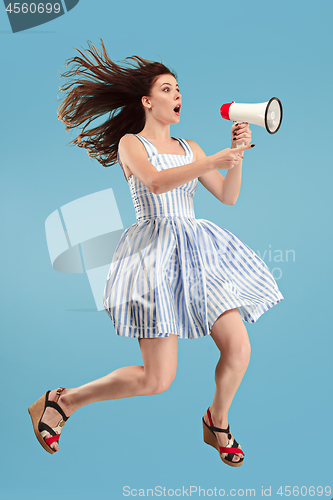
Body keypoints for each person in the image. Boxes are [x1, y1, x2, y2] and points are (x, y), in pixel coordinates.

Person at [28, 40, 283, 467]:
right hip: (152, 258)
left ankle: (216, 422)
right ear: (148, 101)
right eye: (167, 88)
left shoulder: (193, 148)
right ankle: (63, 401)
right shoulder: (132, 145)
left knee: (238, 349)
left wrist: (235, 157)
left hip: (200, 254)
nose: (177, 94)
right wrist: (212, 160)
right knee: (156, 380)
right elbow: (157, 183)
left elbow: (228, 197)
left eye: (179, 88)